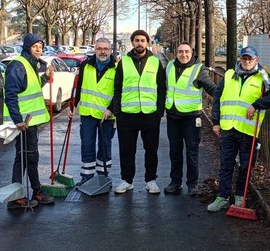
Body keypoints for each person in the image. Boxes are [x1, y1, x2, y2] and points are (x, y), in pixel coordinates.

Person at [207, 46, 270, 212]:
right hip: (228, 129)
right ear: (240, 59)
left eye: (250, 59)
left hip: (248, 131)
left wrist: (256, 105)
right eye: (244, 58)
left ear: (256, 60)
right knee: (226, 164)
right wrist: (215, 122)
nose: (247, 62)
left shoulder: (264, 78)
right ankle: (222, 197)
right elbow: (217, 98)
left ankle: (239, 196)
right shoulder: (230, 75)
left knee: (246, 166)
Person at [3, 33, 56, 209]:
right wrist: (18, 120)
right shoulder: (18, 65)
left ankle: (35, 191)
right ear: (27, 48)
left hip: (29, 122)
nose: (39, 49)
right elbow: (11, 95)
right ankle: (17, 197)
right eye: (35, 46)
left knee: (29, 157)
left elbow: (29, 89)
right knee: (25, 158)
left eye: (41, 46)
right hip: (24, 123)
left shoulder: (30, 65)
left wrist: (45, 78)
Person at [112, 29, 167, 194]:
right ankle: (126, 180)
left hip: (150, 114)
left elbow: (162, 88)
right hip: (127, 115)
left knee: (151, 150)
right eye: (137, 40)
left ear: (147, 43)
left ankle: (151, 180)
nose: (140, 43)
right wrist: (118, 111)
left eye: (143, 40)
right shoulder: (124, 62)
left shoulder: (155, 62)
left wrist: (159, 112)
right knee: (127, 150)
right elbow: (117, 87)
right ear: (132, 42)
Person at [164, 42, 216, 195]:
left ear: (192, 53)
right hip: (173, 117)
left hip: (191, 118)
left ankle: (192, 184)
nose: (184, 54)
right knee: (174, 151)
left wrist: (224, 97)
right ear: (176, 52)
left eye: (187, 52)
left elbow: (211, 88)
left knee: (192, 152)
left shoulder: (198, 69)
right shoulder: (169, 66)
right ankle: (175, 182)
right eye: (180, 51)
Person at [68, 38, 116, 186]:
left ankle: (103, 177)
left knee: (105, 146)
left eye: (106, 49)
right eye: (99, 48)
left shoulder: (116, 68)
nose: (103, 51)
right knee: (87, 144)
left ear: (110, 51)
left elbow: (119, 92)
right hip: (87, 113)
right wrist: (72, 105)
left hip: (106, 115)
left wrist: (111, 109)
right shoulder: (85, 65)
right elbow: (77, 86)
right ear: (95, 50)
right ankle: (87, 177)